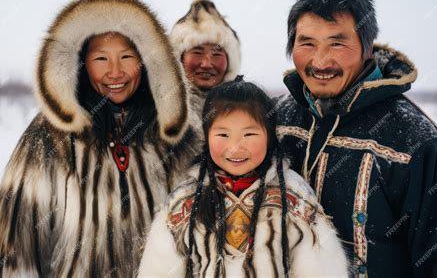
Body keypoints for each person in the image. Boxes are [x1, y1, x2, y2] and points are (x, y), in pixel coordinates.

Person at [0, 0, 199, 276]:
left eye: (127, 56)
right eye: (101, 58)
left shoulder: (176, 136)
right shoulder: (50, 136)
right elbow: (13, 251)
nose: (115, 72)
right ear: (82, 64)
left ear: (147, 61)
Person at [275, 0, 437, 277]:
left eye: (337, 43)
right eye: (307, 43)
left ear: (367, 47)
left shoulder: (415, 141)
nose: (320, 61)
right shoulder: (276, 121)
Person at [138, 78, 348, 277]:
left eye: (249, 134)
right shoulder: (184, 203)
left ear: (269, 137)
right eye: (223, 135)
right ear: (206, 136)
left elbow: (322, 269)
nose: (236, 147)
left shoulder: (294, 197)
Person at [170, 0, 241, 112]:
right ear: (179, 59)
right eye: (197, 52)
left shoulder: (247, 108)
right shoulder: (157, 111)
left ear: (230, 62)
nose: (206, 64)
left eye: (216, 54)